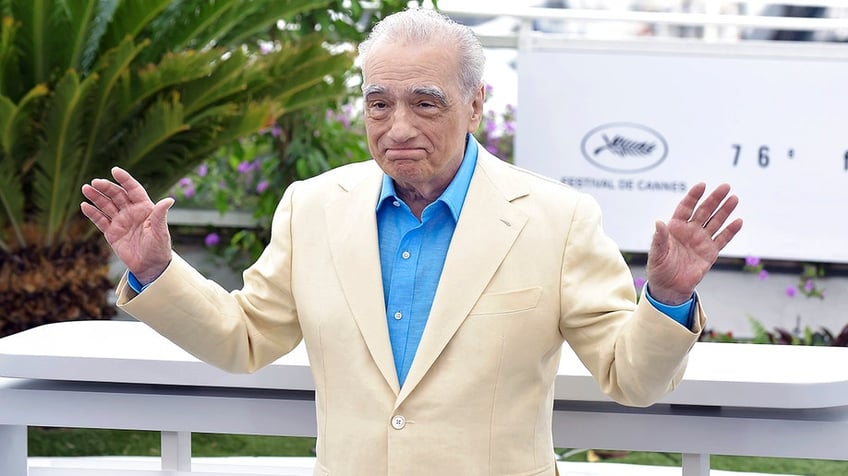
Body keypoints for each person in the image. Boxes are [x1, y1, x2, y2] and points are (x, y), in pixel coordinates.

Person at [80, 7, 742, 476]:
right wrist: (157, 269)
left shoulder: (557, 218)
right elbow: (244, 338)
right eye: (378, 103)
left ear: (475, 104)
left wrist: (666, 297)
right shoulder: (311, 207)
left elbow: (632, 379)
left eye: (425, 103)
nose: (397, 127)